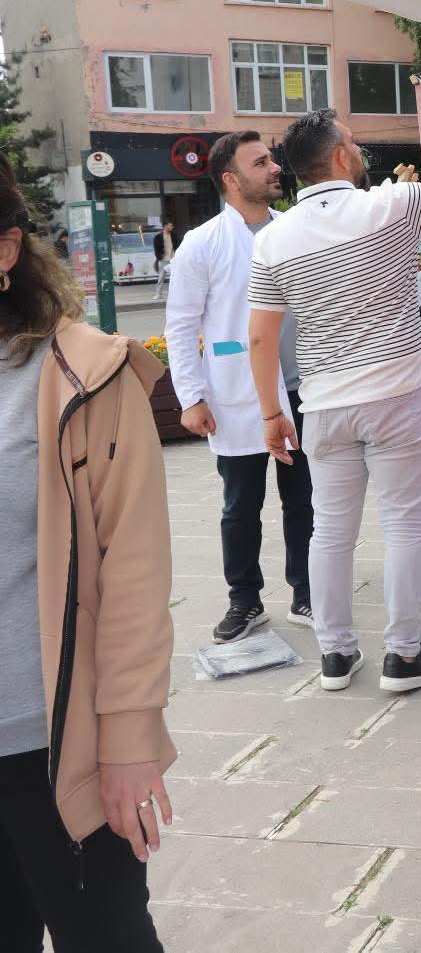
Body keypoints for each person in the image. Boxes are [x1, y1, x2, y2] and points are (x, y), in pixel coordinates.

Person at [0, 151, 176, 951]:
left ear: (7, 250)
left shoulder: (85, 378)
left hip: (52, 747)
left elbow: (135, 575)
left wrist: (129, 741)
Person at [246, 110, 421, 695]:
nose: (359, 151)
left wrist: (270, 413)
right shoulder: (395, 205)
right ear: (338, 156)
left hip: (324, 404)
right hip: (395, 393)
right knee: (404, 526)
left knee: (329, 531)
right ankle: (403, 655)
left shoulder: (273, 239)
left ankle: (335, 653)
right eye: (354, 143)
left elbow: (260, 337)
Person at [165, 131, 314, 644]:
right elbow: (181, 325)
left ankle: (307, 590)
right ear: (230, 179)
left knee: (305, 499)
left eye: (271, 159)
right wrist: (191, 398)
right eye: (261, 162)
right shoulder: (202, 243)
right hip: (237, 393)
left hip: (301, 388)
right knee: (241, 506)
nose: (275, 168)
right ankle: (244, 599)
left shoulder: (293, 229)